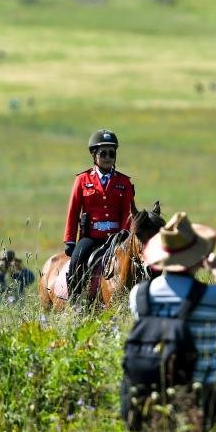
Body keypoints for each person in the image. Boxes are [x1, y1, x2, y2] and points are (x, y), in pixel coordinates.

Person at [126, 212, 216, 432]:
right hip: (201, 396)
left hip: (153, 396)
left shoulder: (139, 296)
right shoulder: (211, 297)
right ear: (198, 257)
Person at [64, 128, 136, 302]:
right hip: (91, 237)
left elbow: (128, 212)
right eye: (103, 153)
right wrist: (70, 240)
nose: (107, 158)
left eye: (111, 154)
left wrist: (125, 235)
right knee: (76, 262)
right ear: (94, 155)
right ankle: (75, 302)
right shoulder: (82, 180)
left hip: (117, 238)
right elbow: (73, 211)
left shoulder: (124, 182)